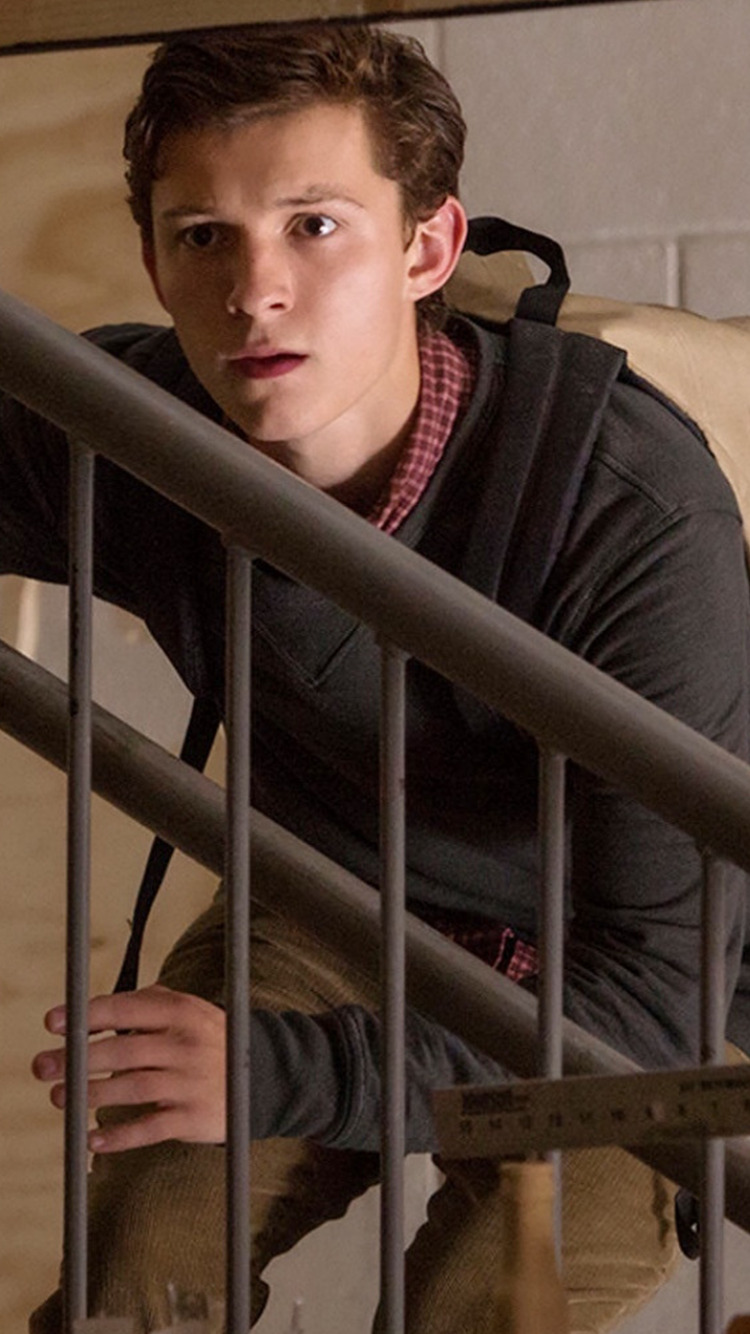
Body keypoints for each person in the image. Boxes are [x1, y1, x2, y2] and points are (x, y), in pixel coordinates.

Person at [1, 20, 746, 1333]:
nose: (255, 291)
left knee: (489, 1311)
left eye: (314, 225)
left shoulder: (625, 509)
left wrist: (282, 1070)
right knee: (132, 1273)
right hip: (343, 899)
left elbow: (651, 998)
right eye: (204, 235)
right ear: (154, 263)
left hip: (622, 984)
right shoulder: (134, 429)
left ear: (426, 248)